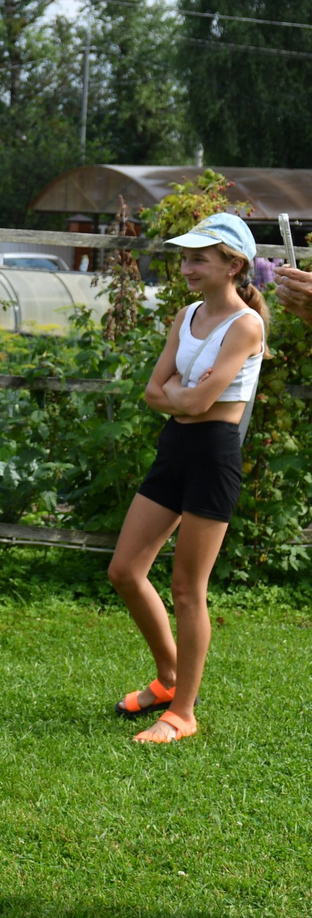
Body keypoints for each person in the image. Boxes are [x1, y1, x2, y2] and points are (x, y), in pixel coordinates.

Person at [105, 212, 267, 745]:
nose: (188, 267)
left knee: (187, 588)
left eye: (200, 258)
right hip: (174, 448)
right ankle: (169, 679)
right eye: (186, 258)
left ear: (233, 265)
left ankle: (183, 714)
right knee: (125, 571)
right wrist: (182, 396)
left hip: (214, 456)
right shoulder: (187, 315)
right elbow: (154, 392)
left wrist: (180, 395)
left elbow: (193, 401)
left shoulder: (245, 325)